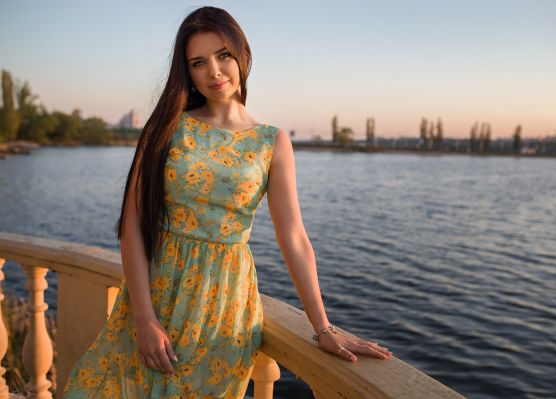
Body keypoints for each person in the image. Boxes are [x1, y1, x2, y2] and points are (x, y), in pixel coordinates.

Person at [62, 6, 392, 398]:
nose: (215, 72)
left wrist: (322, 327)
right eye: (199, 63)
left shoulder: (271, 142)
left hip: (224, 307)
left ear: (243, 56)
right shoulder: (165, 127)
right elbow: (131, 223)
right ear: (187, 71)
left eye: (223, 56)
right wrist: (143, 316)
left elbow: (294, 237)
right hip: (158, 291)